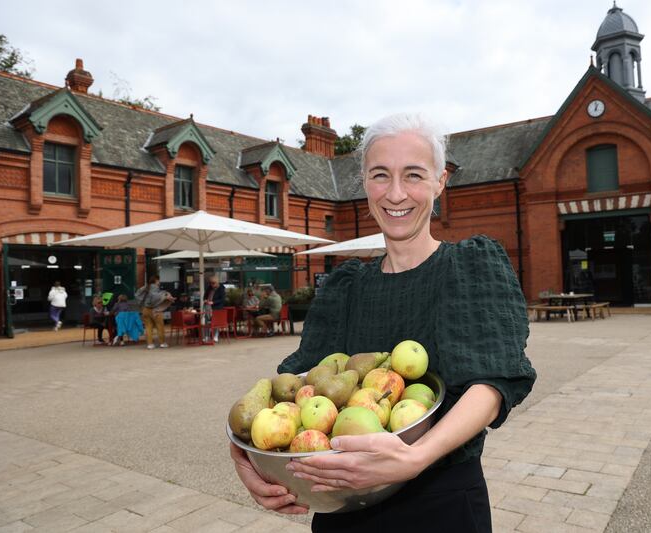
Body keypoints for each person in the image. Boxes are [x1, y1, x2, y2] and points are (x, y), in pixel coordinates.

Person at [230, 113, 537, 532]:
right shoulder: (345, 287)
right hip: (343, 510)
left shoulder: (471, 266)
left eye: (413, 175)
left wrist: (415, 457)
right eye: (380, 175)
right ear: (364, 182)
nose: (395, 193)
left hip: (441, 505)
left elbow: (493, 382)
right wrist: (248, 462)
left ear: (440, 181)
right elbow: (292, 395)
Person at [135, 275, 174, 349]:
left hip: (145, 310)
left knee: (148, 327)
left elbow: (137, 295)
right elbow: (155, 297)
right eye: (159, 280)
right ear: (156, 280)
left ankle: (150, 344)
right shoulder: (155, 288)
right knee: (160, 327)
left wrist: (142, 304)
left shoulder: (145, 287)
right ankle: (162, 343)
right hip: (156, 310)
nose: (159, 282)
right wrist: (165, 296)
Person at [203, 274, 226, 343]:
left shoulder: (221, 288)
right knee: (207, 321)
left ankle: (215, 336)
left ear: (217, 282)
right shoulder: (209, 287)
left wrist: (213, 302)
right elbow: (205, 296)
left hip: (217, 307)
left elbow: (222, 299)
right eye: (210, 283)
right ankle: (206, 336)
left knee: (216, 322)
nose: (211, 284)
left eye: (213, 283)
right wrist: (205, 300)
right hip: (208, 307)